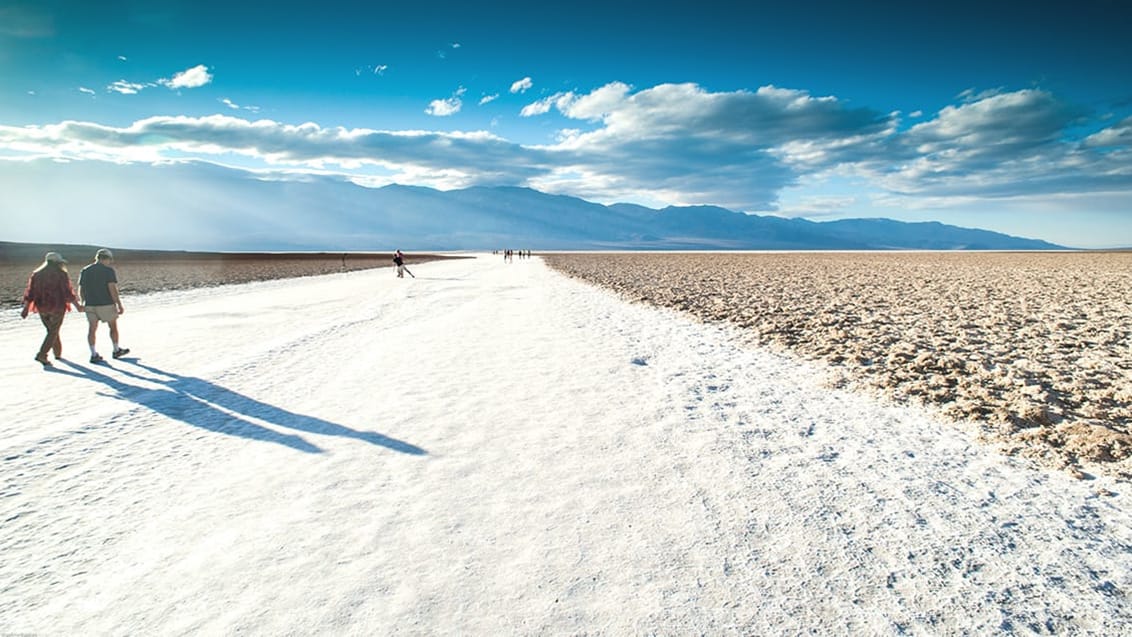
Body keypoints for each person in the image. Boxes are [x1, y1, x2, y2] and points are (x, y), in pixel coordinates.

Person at [21, 251, 83, 367]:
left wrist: (26, 308)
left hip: (42, 307)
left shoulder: (37, 274)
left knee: (52, 331)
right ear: (57, 263)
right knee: (53, 331)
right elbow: (67, 292)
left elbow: (30, 293)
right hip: (57, 307)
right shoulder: (60, 274)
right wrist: (78, 306)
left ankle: (58, 354)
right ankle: (42, 354)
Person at [78, 248, 129, 363]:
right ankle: (116, 350)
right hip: (106, 303)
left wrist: (82, 302)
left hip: (90, 304)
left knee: (92, 329)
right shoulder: (108, 271)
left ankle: (93, 353)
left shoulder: (85, 270)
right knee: (113, 327)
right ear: (107, 259)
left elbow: (81, 288)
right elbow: (112, 288)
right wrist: (118, 304)